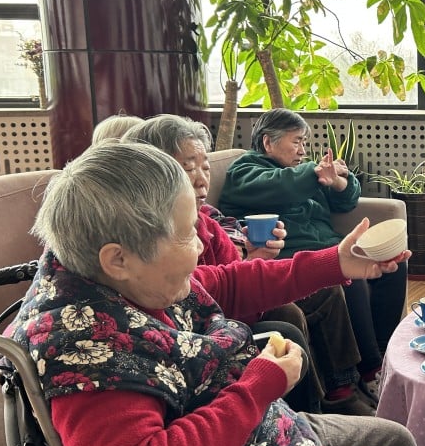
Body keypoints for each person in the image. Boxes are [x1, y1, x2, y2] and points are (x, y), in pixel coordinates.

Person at [8, 142, 425, 446]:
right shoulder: (88, 348)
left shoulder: (116, 280)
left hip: (257, 439)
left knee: (395, 437)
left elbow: (225, 281)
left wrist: (337, 262)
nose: (202, 244)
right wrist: (257, 387)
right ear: (118, 257)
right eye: (188, 234)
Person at [122, 114, 326, 413]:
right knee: (286, 328)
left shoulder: (210, 226)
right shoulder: (141, 243)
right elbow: (197, 302)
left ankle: (322, 405)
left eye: (205, 167)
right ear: (149, 175)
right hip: (183, 353)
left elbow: (233, 287)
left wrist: (256, 260)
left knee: (296, 311)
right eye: (187, 168)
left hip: (215, 329)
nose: (201, 178)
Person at [218, 109, 406, 399]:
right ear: (268, 143)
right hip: (291, 258)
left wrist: (339, 180)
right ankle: (371, 370)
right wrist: (315, 172)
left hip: (328, 246)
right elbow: (282, 184)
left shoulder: (302, 173)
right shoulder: (244, 171)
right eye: (296, 142)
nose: (303, 150)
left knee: (392, 262)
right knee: (349, 275)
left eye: (305, 142)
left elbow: (346, 201)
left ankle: (386, 353)